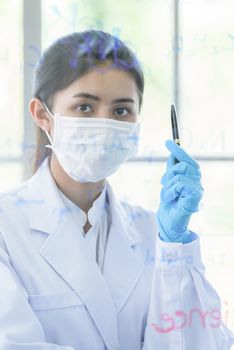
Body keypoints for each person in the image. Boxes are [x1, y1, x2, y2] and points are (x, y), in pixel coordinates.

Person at [0, 30, 233, 350]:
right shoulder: (5, 226)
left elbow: (199, 343)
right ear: (43, 115)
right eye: (84, 107)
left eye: (121, 110)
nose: (105, 122)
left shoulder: (155, 232)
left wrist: (175, 251)